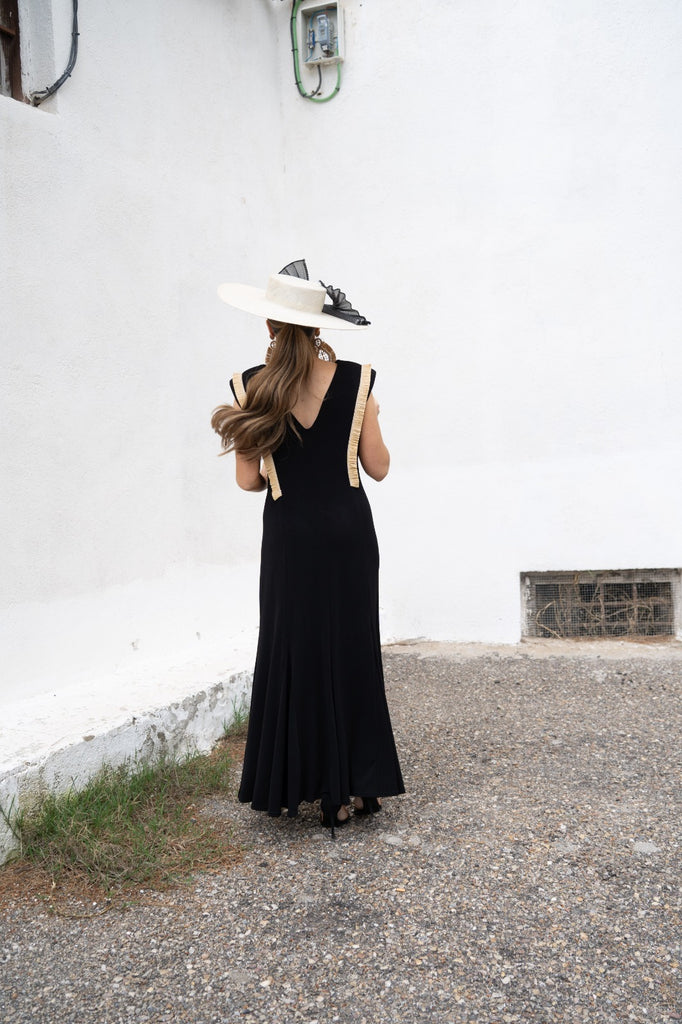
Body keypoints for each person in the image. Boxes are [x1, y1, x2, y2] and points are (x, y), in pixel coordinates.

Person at [211, 260, 404, 837]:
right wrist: (369, 416)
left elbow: (249, 482)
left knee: (294, 651)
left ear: (270, 325)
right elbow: (379, 468)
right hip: (348, 534)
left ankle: (311, 786)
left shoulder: (251, 386)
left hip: (290, 538)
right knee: (351, 648)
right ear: (319, 326)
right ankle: (358, 785)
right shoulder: (358, 380)